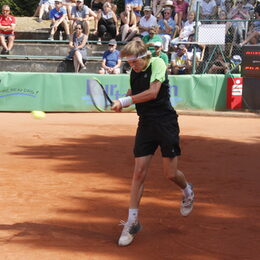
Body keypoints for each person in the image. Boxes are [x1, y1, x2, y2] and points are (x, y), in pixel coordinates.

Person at [111, 40, 194, 247]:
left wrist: (125, 101)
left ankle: (188, 191)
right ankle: (132, 222)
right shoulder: (134, 72)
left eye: (134, 61)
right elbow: (134, 96)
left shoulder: (157, 63)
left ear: (143, 56)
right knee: (138, 173)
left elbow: (153, 92)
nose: (132, 66)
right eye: (129, 63)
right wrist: (124, 100)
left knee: (170, 173)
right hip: (146, 125)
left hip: (165, 123)